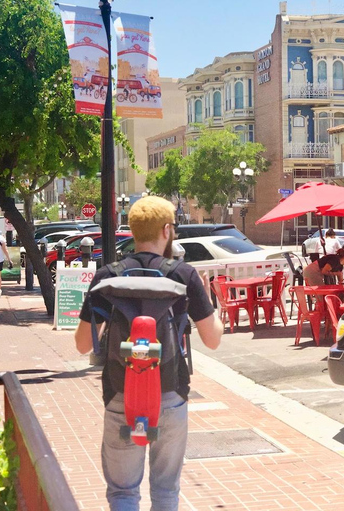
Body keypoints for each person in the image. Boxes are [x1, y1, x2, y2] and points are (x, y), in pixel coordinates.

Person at [74, 196, 223, 510]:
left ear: (133, 231)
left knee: (123, 492)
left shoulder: (107, 276)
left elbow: (83, 344)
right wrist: (211, 301)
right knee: (166, 492)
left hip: (120, 393)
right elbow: (212, 339)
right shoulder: (183, 275)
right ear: (167, 230)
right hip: (169, 391)